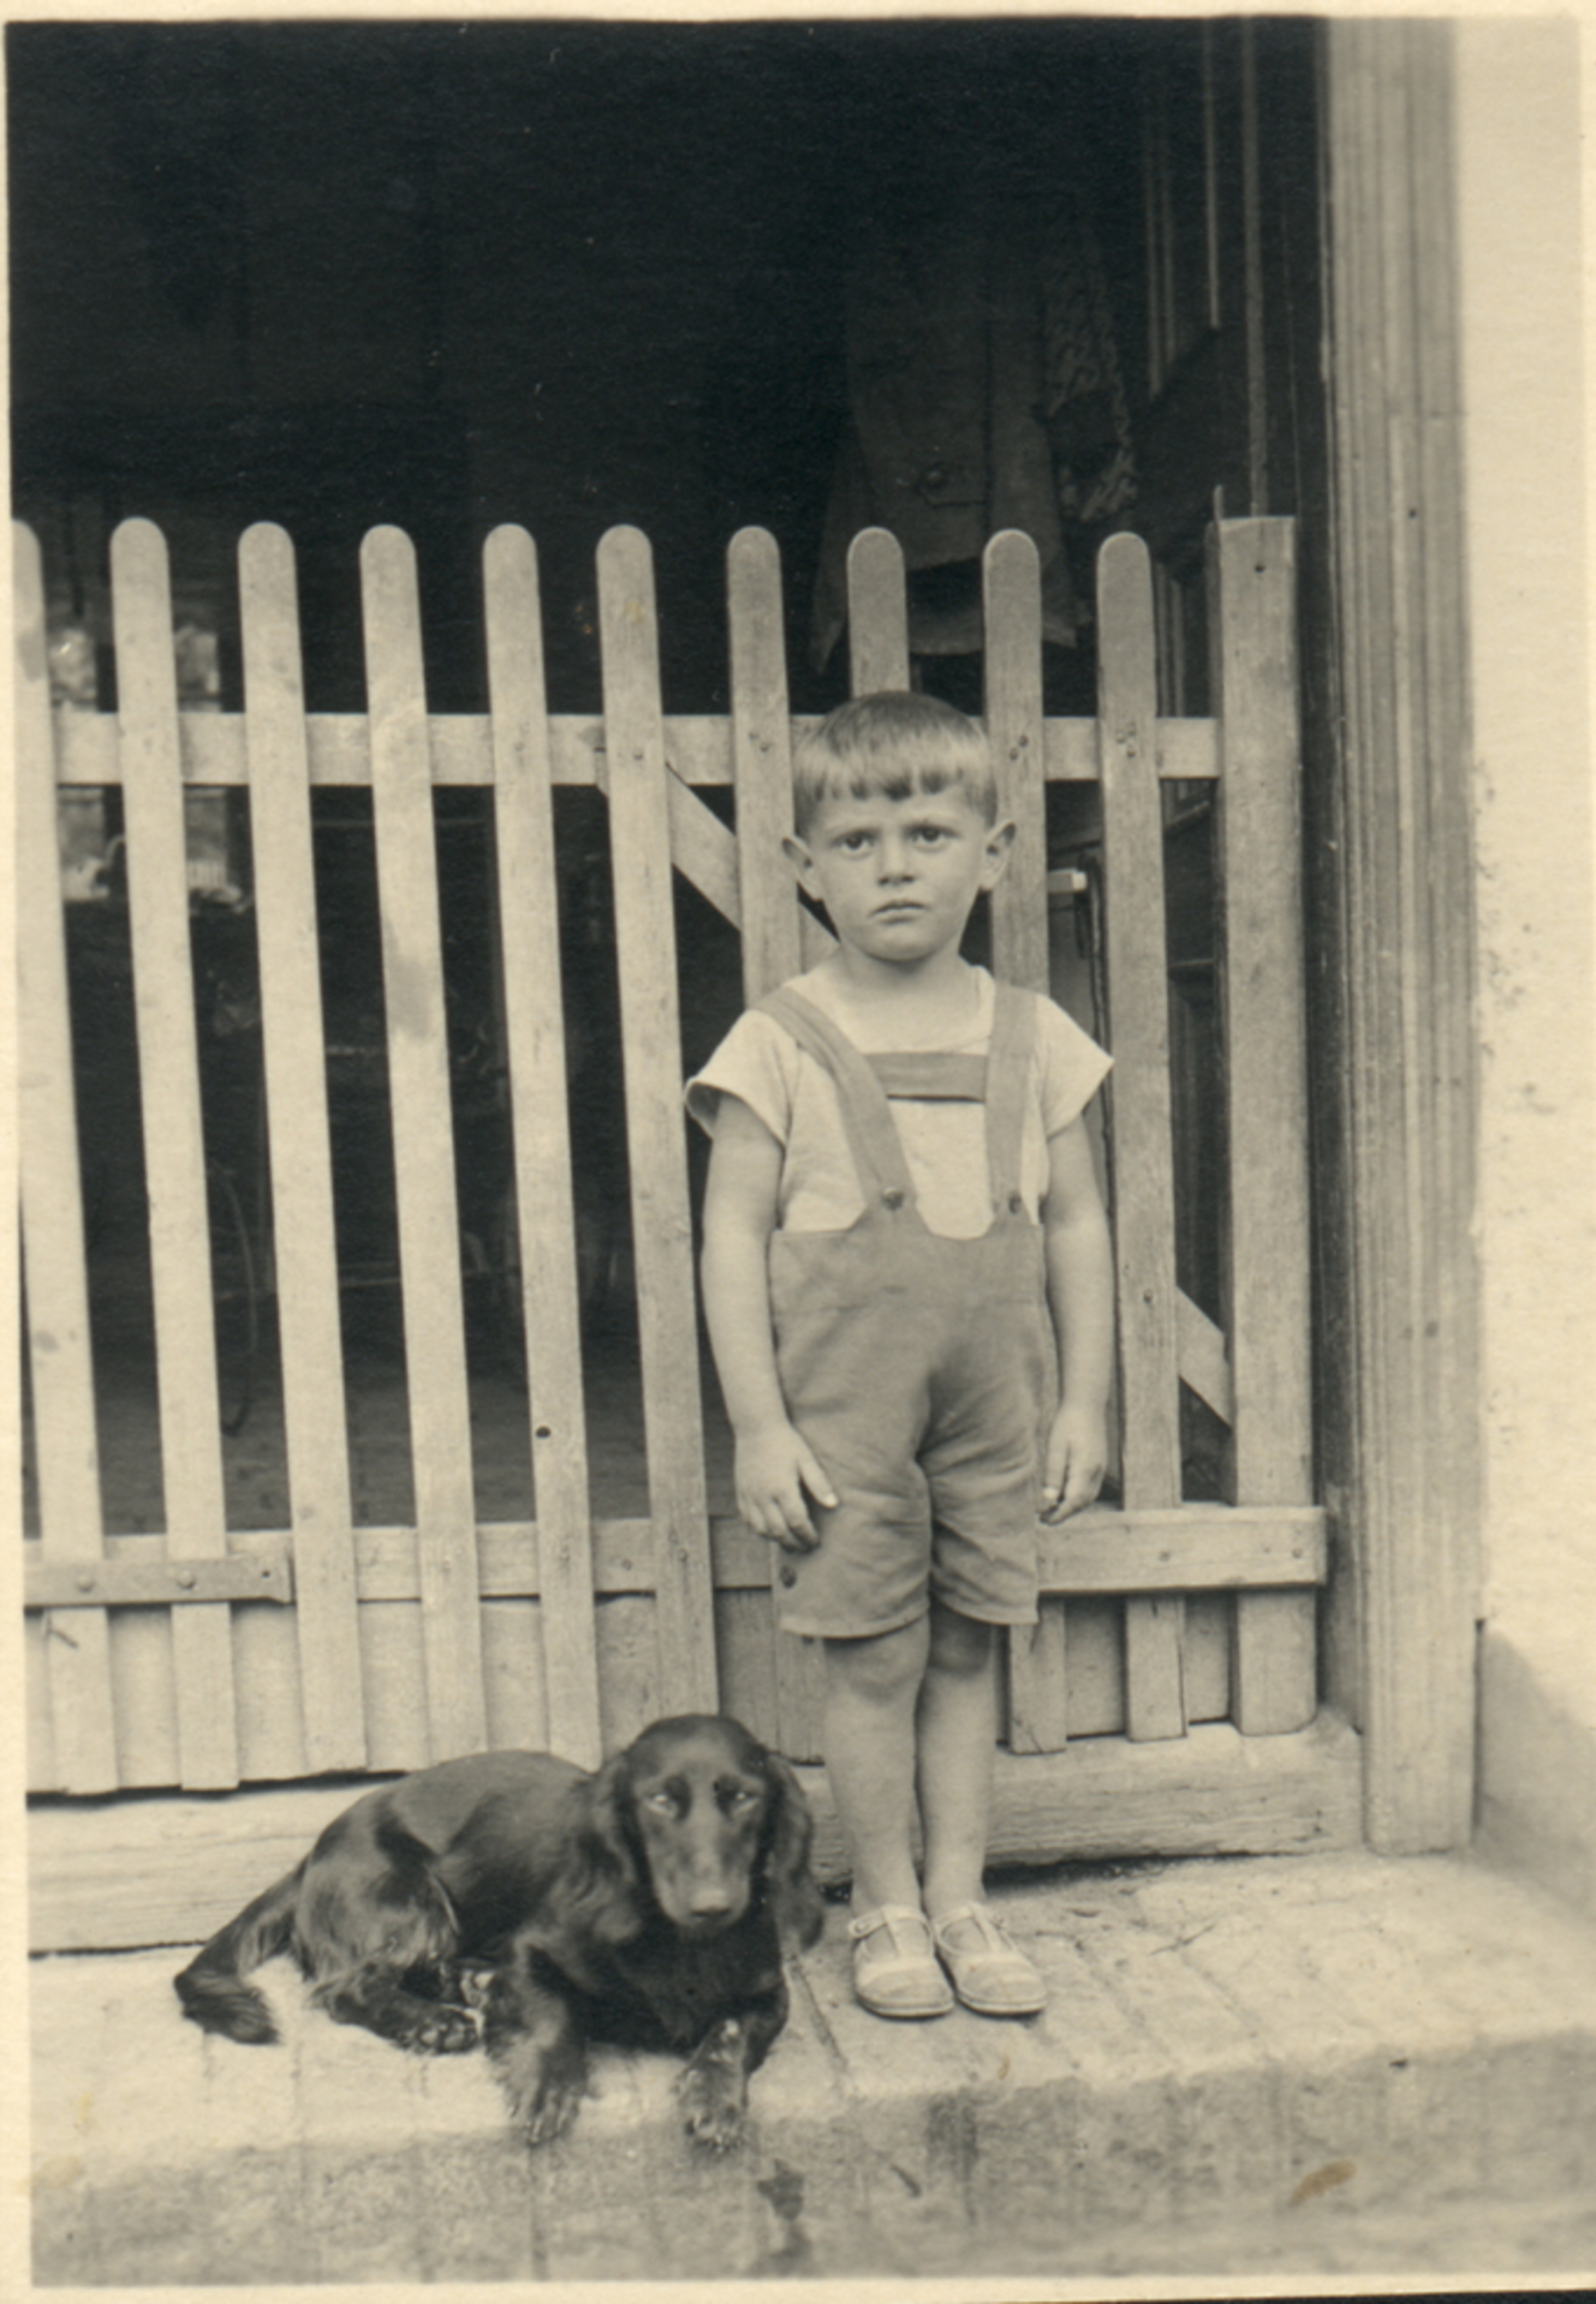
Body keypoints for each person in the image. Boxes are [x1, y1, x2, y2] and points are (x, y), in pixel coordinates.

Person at [687, 691, 1114, 2020]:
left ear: (993, 852)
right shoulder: (779, 1040)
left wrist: (1085, 1402)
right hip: (844, 1415)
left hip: (995, 1405)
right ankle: (884, 1906)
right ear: (806, 869)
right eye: (858, 842)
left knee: (971, 1648)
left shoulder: (1035, 1034)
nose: (895, 867)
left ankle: (962, 1899)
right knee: (873, 1659)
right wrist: (761, 1426)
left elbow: (1079, 1224)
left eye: (928, 833)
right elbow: (730, 1237)